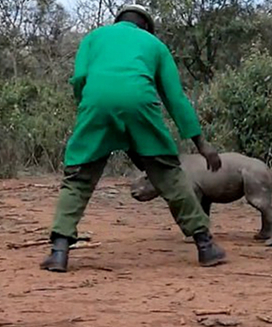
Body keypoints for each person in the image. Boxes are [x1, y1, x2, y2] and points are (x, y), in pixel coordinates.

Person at [40, 4, 227, 273]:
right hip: (140, 105)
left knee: (78, 179)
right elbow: (175, 99)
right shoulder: (155, 45)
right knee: (169, 176)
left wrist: (89, 109)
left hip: (96, 104)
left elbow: (79, 78)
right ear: (147, 26)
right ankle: (206, 246)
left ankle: (59, 253)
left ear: (119, 21)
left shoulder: (93, 37)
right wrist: (201, 143)